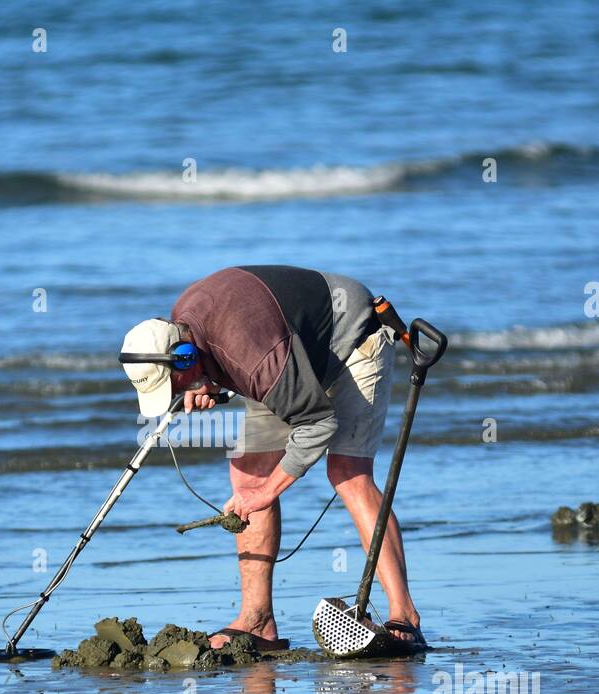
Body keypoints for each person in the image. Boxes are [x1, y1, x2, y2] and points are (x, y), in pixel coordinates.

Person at [120, 265, 424, 650]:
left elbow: (317, 423)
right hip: (284, 351)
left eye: (174, 383)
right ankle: (257, 620)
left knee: (347, 472)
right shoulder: (188, 331)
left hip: (352, 339)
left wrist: (266, 494)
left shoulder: (255, 358)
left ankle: (404, 614)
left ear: (183, 357)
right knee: (247, 476)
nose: (175, 394)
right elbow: (232, 361)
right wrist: (211, 380)